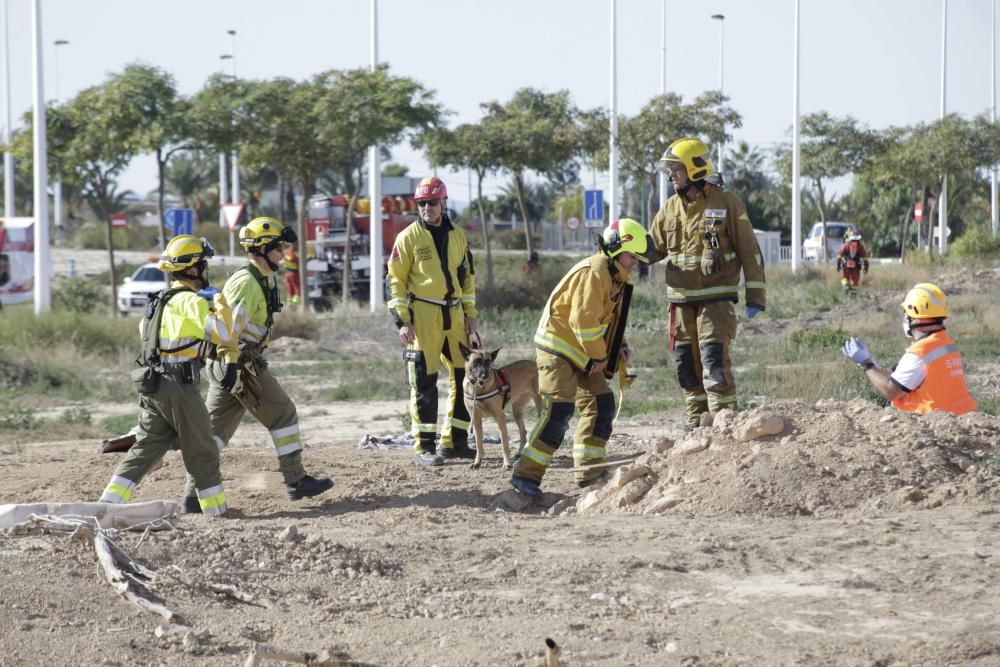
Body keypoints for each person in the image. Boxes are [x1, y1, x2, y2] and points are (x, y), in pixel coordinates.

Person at [509, 218, 651, 497]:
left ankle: (590, 473)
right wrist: (599, 356)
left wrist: (616, 345)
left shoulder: (614, 277)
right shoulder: (596, 272)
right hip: (558, 349)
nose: (634, 262)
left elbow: (604, 319)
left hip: (584, 353)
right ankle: (525, 477)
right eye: (632, 256)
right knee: (558, 412)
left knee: (602, 404)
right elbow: (583, 320)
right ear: (614, 249)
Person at [99, 236, 237, 516]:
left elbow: (145, 335)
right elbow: (224, 335)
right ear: (193, 269)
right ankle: (217, 513)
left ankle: (106, 504)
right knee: (203, 449)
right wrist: (219, 303)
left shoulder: (157, 301)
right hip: (180, 385)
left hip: (153, 384)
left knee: (147, 446)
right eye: (203, 264)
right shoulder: (191, 301)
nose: (206, 269)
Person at [203, 216, 333, 501]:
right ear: (260, 249)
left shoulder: (261, 277)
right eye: (278, 248)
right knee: (283, 413)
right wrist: (235, 368)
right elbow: (228, 332)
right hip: (239, 364)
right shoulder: (247, 283)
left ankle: (193, 497)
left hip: (229, 365)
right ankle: (296, 481)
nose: (284, 253)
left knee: (212, 436)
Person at [647, 137, 767, 429]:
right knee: (686, 368)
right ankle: (696, 424)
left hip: (715, 300)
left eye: (676, 169)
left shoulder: (727, 202)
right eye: (670, 170)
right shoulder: (669, 209)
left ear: (694, 168)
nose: (671, 175)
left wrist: (755, 295)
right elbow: (652, 249)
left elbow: (749, 250)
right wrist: (622, 248)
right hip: (679, 303)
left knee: (713, 365)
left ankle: (725, 424)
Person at [387, 176, 478, 466]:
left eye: (432, 202)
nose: (426, 208)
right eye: (422, 203)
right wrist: (402, 321)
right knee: (424, 381)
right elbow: (395, 281)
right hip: (423, 315)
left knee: (466, 376)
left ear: (444, 202)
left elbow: (467, 278)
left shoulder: (458, 235)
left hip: (455, 313)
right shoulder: (408, 238)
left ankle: (456, 442)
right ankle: (424, 448)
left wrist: (470, 315)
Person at [841, 282, 977, 415]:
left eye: (906, 314)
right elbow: (906, 380)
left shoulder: (920, 352)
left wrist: (867, 364)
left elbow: (892, 391)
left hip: (930, 425)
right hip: (961, 418)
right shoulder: (945, 342)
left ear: (916, 319)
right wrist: (875, 365)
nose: (905, 318)